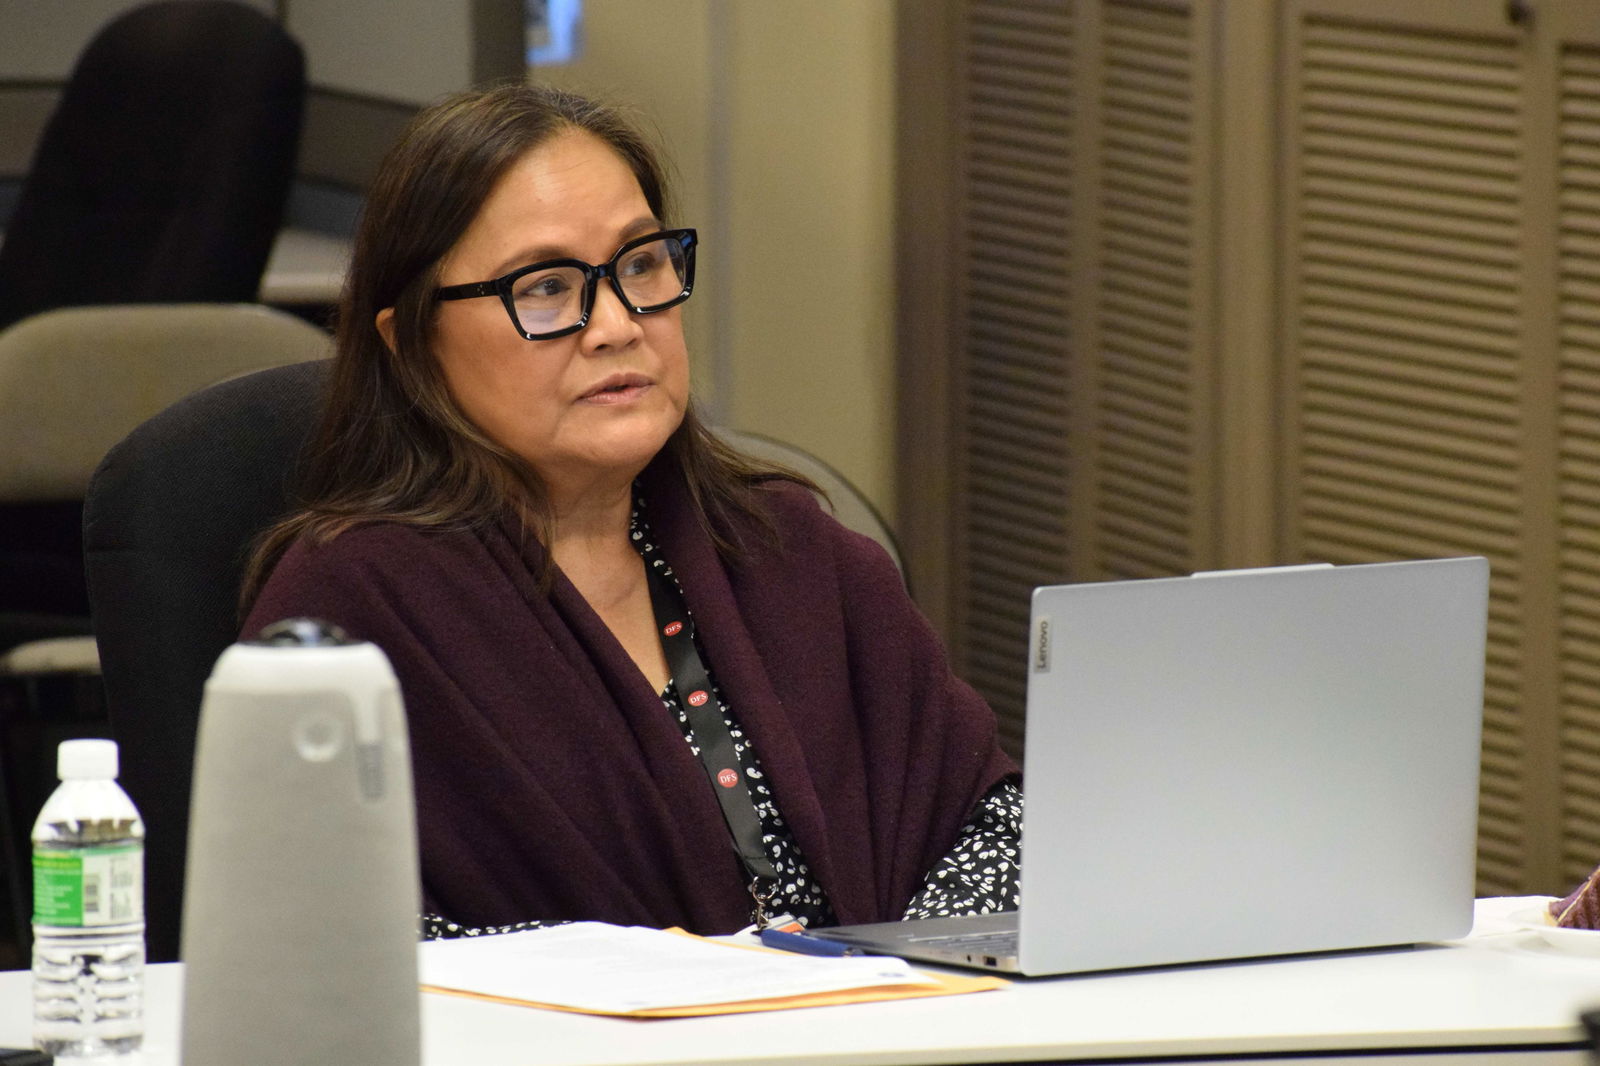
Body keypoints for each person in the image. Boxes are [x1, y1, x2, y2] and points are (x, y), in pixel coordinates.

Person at [241, 82, 1020, 939]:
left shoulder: (790, 550)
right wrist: (638, 982)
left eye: (642, 265)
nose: (615, 324)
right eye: (544, 288)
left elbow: (990, 822)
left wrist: (911, 980)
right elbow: (330, 940)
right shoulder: (349, 612)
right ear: (411, 340)